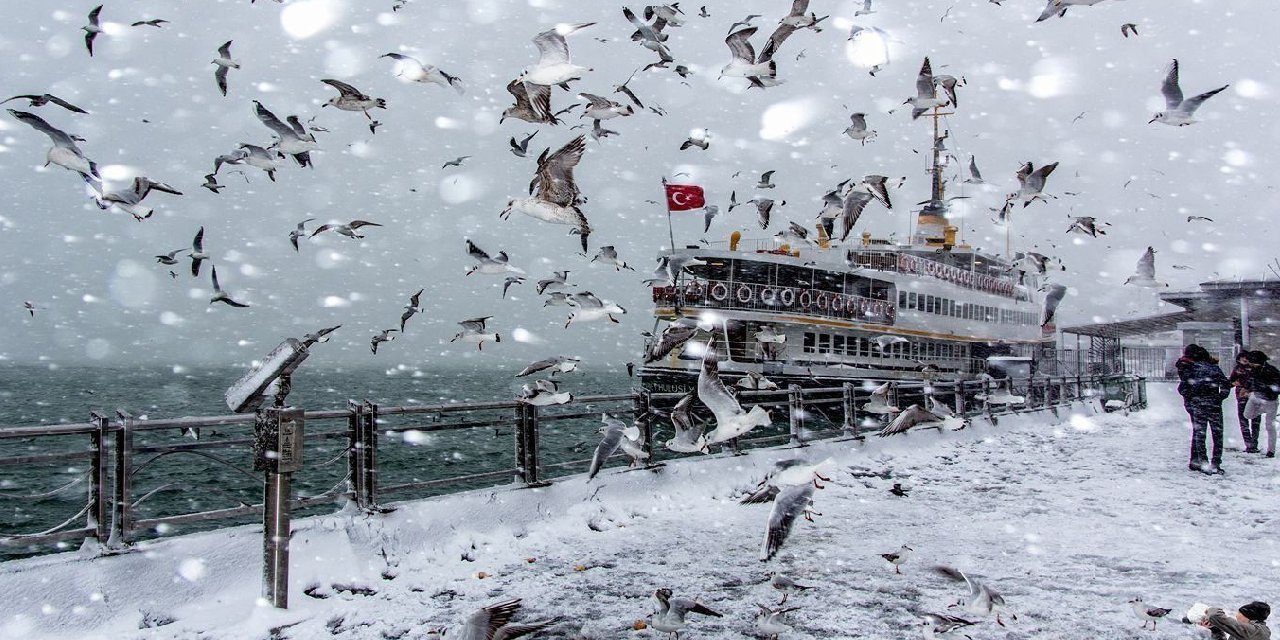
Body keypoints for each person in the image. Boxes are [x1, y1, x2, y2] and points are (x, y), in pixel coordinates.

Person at [1176, 344, 1231, 474]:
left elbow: (1182, 388)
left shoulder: (1191, 369)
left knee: (1200, 434)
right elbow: (1225, 385)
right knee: (1217, 435)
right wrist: (1219, 397)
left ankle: (1203, 462)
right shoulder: (1214, 369)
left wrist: (1192, 397)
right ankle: (1216, 463)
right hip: (1214, 405)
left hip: (1198, 405)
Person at [1243, 350, 1280, 458]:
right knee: (1247, 415)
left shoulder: (1272, 371)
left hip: (1270, 400)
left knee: (1270, 427)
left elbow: (1277, 387)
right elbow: (1251, 380)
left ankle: (1271, 451)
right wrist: (1246, 388)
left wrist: (1265, 390)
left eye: (1251, 362)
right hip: (1255, 396)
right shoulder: (1253, 369)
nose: (1250, 364)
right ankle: (1262, 410)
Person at [1229, 352, 1260, 453]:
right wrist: (1234, 383)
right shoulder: (1239, 369)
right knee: (1246, 421)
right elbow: (1230, 382)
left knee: (1253, 421)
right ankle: (1250, 444)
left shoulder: (1252, 368)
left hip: (1252, 396)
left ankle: (1252, 444)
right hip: (1243, 397)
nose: (1245, 360)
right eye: (1242, 358)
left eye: (1246, 358)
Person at [1202, 601, 1270, 640]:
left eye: (1239, 612)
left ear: (1247, 616)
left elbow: (1214, 615)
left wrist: (1209, 609)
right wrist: (1216, 629)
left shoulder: (1256, 631)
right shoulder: (1246, 633)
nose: (1236, 615)